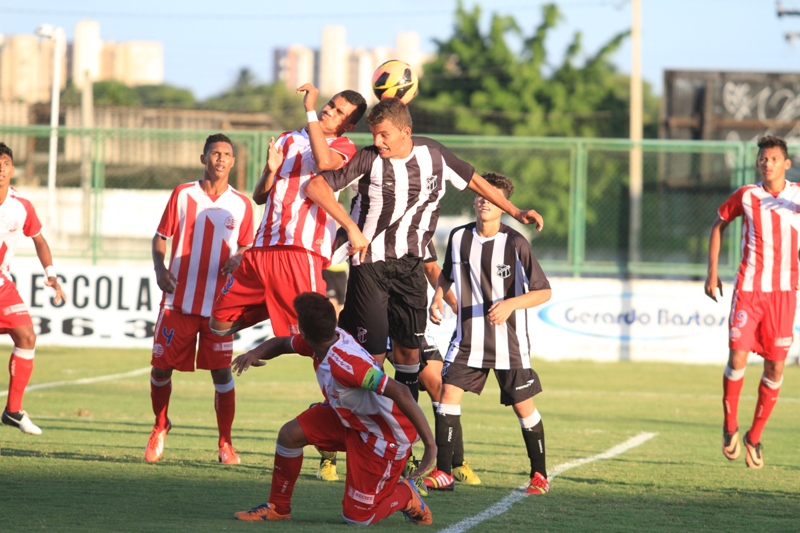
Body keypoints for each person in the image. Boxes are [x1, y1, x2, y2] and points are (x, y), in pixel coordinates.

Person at [305, 97, 544, 408]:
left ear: (406, 131)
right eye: (374, 135)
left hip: (411, 266)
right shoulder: (369, 158)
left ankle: (403, 436)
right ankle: (368, 430)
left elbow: (474, 180)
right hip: (370, 265)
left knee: (409, 355)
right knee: (373, 355)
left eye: (384, 135)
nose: (377, 142)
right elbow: (316, 187)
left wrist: (515, 211)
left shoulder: (434, 154)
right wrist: (351, 228)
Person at [231, 292, 435, 525]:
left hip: (383, 435)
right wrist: (253, 353)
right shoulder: (324, 341)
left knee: (358, 518)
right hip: (351, 417)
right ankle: (278, 508)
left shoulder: (345, 366)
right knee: (289, 435)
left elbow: (400, 391)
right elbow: (281, 343)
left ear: (305, 333)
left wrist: (430, 444)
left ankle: (406, 495)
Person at [209, 84, 366, 341]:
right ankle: (275, 305)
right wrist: (270, 171)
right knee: (218, 325)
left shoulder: (344, 146)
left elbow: (324, 162)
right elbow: (260, 196)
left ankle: (350, 372)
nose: (329, 111)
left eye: (339, 113)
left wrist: (310, 111)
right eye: (330, 104)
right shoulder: (286, 139)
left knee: (316, 340)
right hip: (262, 247)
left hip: (301, 248)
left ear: (347, 126)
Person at [428, 172, 552, 494]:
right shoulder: (458, 237)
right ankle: (444, 473)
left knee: (523, 407)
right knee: (447, 397)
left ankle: (539, 475)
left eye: (492, 197)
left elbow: (543, 292)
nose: (484, 201)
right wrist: (438, 297)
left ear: (502, 204)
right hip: (468, 339)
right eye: (481, 196)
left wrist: (511, 304)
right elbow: (447, 274)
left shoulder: (515, 242)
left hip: (508, 343)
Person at [146, 133, 254, 464]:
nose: (221, 159)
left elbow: (247, 245)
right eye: (215, 153)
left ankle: (225, 443)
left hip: (219, 308)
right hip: (178, 301)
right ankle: (160, 424)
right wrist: (159, 268)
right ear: (203, 158)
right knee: (162, 369)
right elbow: (161, 236)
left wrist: (240, 257)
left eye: (227, 154)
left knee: (222, 374)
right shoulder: (183, 194)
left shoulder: (242, 204)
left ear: (233, 163)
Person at [705, 135, 798, 469]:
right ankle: (729, 426)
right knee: (738, 355)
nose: (767, 162)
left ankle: (754, 437)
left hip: (785, 294)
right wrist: (712, 272)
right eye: (763, 158)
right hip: (749, 289)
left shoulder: (797, 196)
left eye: (774, 158)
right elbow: (718, 225)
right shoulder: (747, 195)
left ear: (786, 164)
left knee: (775, 367)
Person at [0, 142, 65, 435]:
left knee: (26, 336)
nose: (1, 168)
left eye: (5, 163)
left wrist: (50, 274)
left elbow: (39, 240)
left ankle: (13, 411)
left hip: (2, 283)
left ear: (13, 169)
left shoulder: (21, 205)